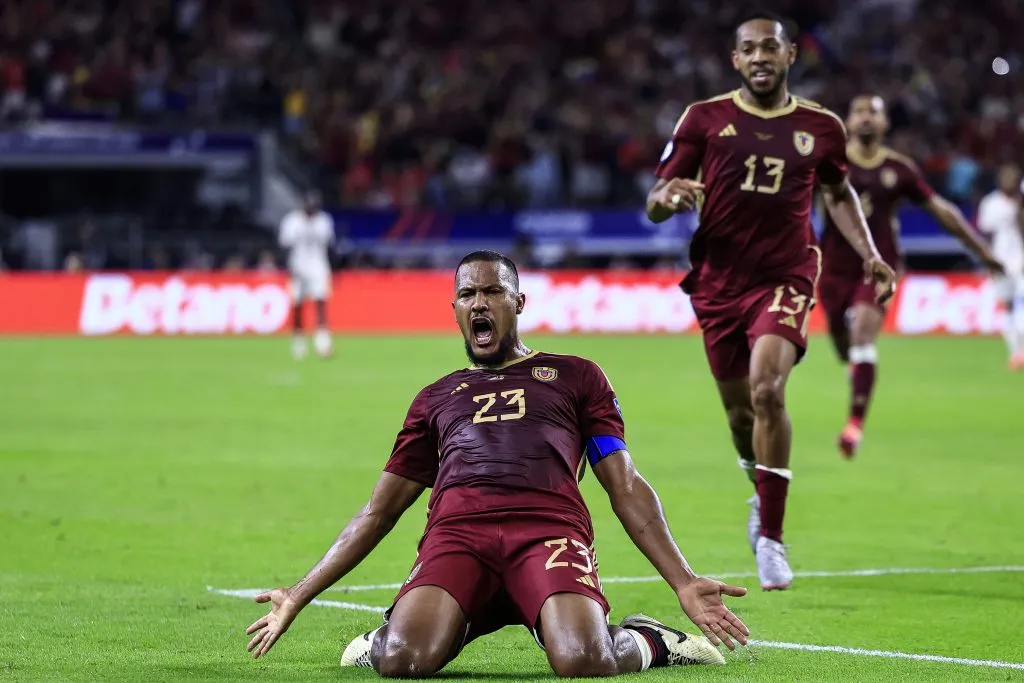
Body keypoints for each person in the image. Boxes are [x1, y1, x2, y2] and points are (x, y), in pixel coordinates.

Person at [244, 251, 749, 677]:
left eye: (492, 292)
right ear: (456, 308)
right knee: (402, 658)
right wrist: (299, 593)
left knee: (584, 659)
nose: (479, 303)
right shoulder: (434, 399)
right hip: (458, 537)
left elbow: (625, 485)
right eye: (467, 295)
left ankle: (652, 639)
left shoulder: (577, 376)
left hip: (547, 534)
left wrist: (683, 580)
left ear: (519, 302)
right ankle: (396, 631)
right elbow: (378, 510)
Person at [646, 10, 897, 591]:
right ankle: (760, 489)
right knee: (739, 413)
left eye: (771, 48)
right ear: (736, 60)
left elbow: (837, 194)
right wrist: (670, 197)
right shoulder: (703, 119)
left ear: (790, 56)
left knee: (767, 388)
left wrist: (869, 253)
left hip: (786, 274)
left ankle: (773, 538)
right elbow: (656, 199)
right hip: (717, 282)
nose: (760, 57)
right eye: (749, 49)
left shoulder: (821, 127)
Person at [819, 95, 1004, 457]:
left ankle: (854, 424)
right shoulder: (830, 163)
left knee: (862, 334)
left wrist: (982, 252)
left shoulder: (899, 170)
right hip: (834, 268)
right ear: (847, 121)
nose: (865, 118)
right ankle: (854, 367)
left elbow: (941, 211)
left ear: (886, 123)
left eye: (873, 112)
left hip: (880, 266)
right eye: (858, 112)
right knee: (843, 344)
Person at [977, 164, 1024, 369]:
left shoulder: (1021, 203)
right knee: (1007, 306)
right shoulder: (991, 203)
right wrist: (989, 260)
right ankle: (1015, 352)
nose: (1009, 182)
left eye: (1013, 179)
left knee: (1021, 302)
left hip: (1021, 259)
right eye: (1006, 178)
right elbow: (986, 233)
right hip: (1000, 260)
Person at [278, 189, 335, 359]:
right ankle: (298, 340)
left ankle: (322, 341)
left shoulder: (323, 220)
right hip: (298, 267)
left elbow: (329, 246)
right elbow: (284, 245)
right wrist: (289, 268)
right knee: (298, 304)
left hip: (318, 266)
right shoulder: (292, 221)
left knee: (320, 302)